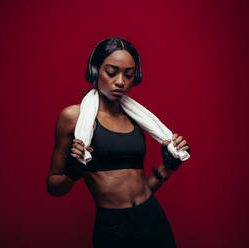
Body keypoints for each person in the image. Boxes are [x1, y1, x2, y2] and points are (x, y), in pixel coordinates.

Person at [47, 37, 190, 248]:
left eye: (129, 75)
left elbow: (140, 188)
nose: (121, 81)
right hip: (114, 228)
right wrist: (72, 173)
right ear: (95, 72)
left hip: (152, 217)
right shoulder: (74, 118)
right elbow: (53, 186)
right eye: (112, 72)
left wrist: (167, 168)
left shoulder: (137, 118)